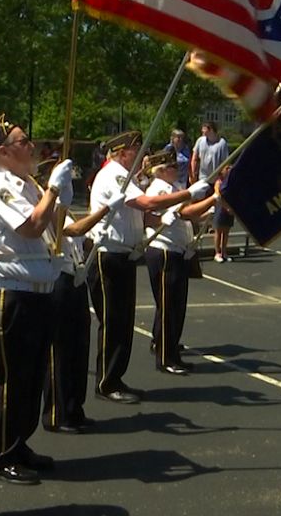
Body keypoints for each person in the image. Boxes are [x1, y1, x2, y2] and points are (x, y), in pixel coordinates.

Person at [0, 115, 67, 484]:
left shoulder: (28, 184)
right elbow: (30, 227)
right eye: (23, 140)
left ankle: (19, 442)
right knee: (13, 377)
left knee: (32, 375)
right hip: (10, 294)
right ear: (3, 151)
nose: (32, 146)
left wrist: (58, 199)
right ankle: (0, 453)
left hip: (37, 292)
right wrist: (54, 193)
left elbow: (52, 229)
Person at [88, 130, 208, 404]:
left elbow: (142, 215)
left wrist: (162, 219)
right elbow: (146, 202)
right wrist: (187, 194)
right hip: (108, 255)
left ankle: (115, 378)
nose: (142, 153)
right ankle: (106, 383)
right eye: (137, 148)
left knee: (124, 322)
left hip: (125, 256)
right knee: (113, 322)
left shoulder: (127, 176)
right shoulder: (113, 175)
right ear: (122, 152)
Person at [37, 158, 119, 435]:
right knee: (60, 351)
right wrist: (105, 211)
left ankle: (74, 408)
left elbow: (78, 237)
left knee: (78, 348)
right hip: (57, 280)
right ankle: (57, 413)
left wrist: (94, 240)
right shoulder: (44, 208)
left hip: (75, 278)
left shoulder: (64, 209)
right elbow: (70, 230)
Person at [142, 147, 219, 374]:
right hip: (165, 251)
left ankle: (166, 345)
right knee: (169, 307)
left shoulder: (172, 187)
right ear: (162, 170)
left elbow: (187, 215)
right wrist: (213, 198)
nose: (177, 169)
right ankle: (166, 358)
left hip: (177, 250)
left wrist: (206, 214)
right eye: (173, 166)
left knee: (174, 305)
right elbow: (184, 212)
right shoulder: (160, 189)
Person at [191, 122, 231, 260]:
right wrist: (193, 174)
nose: (202, 132)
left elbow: (226, 162)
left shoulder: (221, 143)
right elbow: (195, 157)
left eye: (204, 129)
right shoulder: (201, 141)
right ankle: (200, 226)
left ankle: (213, 226)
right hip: (203, 177)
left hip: (216, 177)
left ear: (211, 130)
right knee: (200, 203)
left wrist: (223, 177)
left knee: (216, 205)